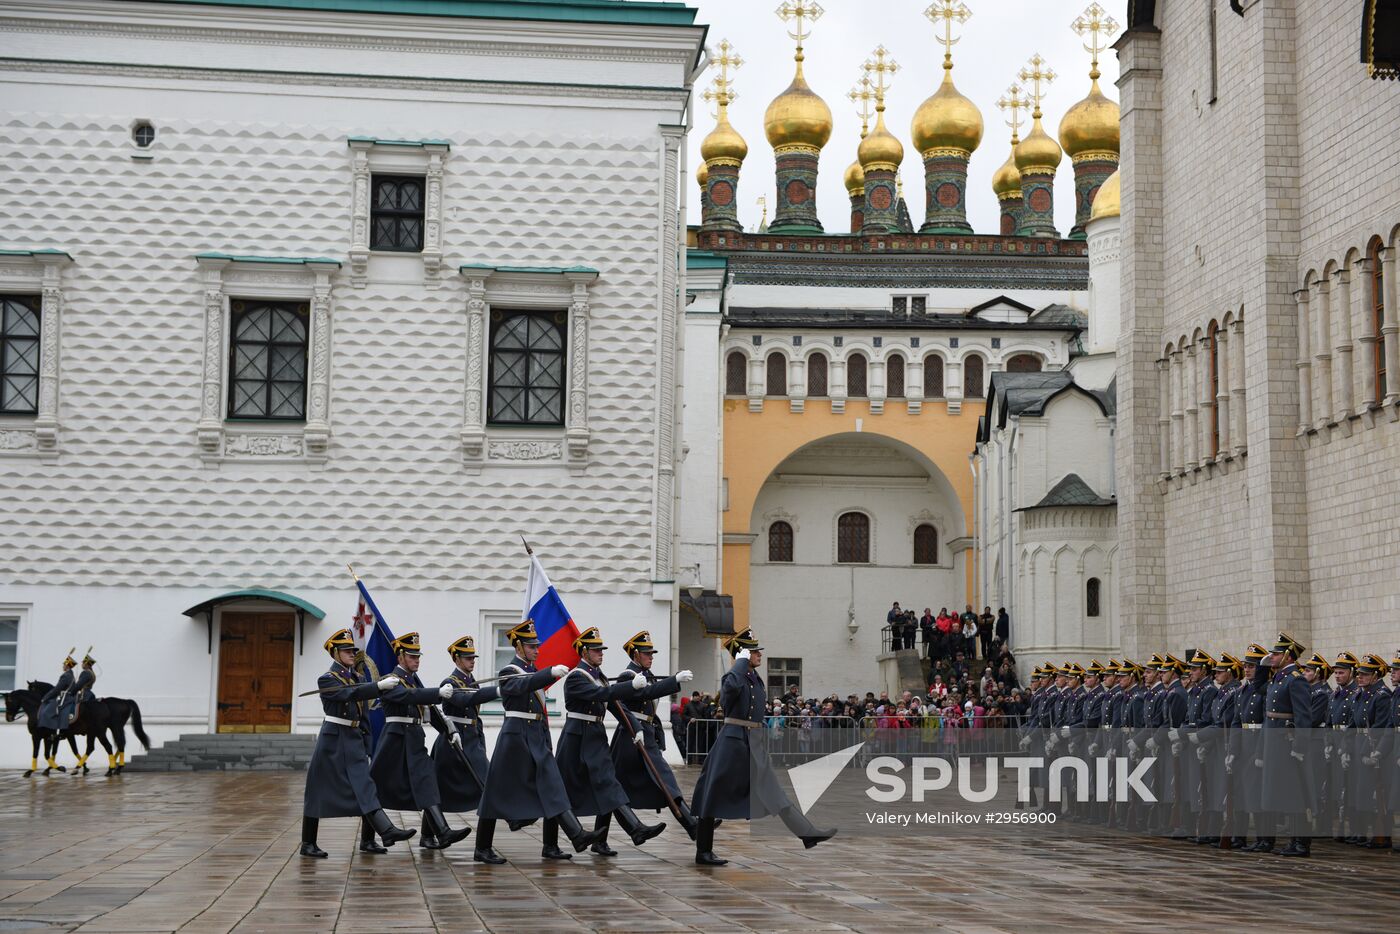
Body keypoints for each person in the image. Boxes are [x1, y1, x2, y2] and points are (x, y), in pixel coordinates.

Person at [690, 628, 835, 865]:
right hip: (732, 743)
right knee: (712, 795)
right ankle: (703, 851)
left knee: (774, 791)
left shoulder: (753, 678)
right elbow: (729, 692)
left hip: (753, 742)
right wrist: (740, 662)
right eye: (754, 651)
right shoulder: (733, 677)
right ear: (744, 654)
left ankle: (807, 833)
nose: (759, 655)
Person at [475, 619, 603, 863]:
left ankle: (571, 837)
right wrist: (548, 673)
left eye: (537, 645)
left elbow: (537, 705)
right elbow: (521, 685)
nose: (537, 649)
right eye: (531, 646)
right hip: (514, 738)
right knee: (495, 794)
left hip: (534, 735)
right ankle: (482, 847)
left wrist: (546, 738)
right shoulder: (509, 672)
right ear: (519, 647)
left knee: (553, 784)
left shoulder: (532, 673)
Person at [300, 629, 415, 858]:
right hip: (333, 740)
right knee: (317, 791)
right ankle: (307, 843)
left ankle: (379, 834)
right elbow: (349, 695)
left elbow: (363, 713)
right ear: (334, 653)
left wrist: (367, 742)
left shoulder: (358, 678)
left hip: (353, 738)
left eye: (353, 650)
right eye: (346, 651)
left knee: (365, 785)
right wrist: (377, 688)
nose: (352, 654)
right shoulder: (328, 679)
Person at [556, 627, 666, 857]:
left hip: (595, 737)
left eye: (601, 649)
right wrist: (629, 686)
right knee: (561, 792)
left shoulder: (600, 677)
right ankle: (549, 844)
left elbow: (616, 706)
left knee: (609, 782)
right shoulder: (577, 677)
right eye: (596, 650)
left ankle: (635, 829)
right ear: (584, 652)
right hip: (575, 738)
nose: (601, 653)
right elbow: (600, 696)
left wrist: (635, 728)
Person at [369, 632, 472, 851]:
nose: (417, 660)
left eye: (418, 656)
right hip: (394, 738)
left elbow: (428, 709)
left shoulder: (412, 680)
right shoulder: (391, 680)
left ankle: (442, 833)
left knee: (427, 780)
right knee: (375, 787)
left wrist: (447, 730)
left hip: (414, 738)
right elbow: (409, 697)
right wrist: (437, 693)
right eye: (412, 656)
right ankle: (368, 839)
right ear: (400, 658)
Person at [610, 630, 700, 841]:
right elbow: (645, 694)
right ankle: (691, 823)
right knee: (613, 787)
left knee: (663, 779)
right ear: (635, 655)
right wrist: (673, 680)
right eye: (646, 653)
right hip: (629, 737)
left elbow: (650, 704)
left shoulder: (646, 676)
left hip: (645, 735)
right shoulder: (628, 676)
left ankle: (692, 823)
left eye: (652, 653)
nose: (651, 656)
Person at [428, 636, 498, 850]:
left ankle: (484, 845)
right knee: (437, 790)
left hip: (471, 739)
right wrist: (496, 691)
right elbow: (464, 700)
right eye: (467, 658)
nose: (472, 661)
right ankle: (427, 835)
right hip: (453, 741)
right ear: (457, 659)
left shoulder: (470, 681)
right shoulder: (449, 683)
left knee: (489, 785)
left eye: (473, 657)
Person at [1258, 632, 1316, 857]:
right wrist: (1265, 664)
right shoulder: (1279, 678)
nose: (1272, 656)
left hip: (1288, 743)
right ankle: (1294, 841)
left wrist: (1300, 747)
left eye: (1276, 654)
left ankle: (1301, 843)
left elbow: (1303, 717)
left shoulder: (1296, 679)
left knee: (1296, 794)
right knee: (1286, 793)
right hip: (1275, 743)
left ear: (1288, 656)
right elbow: (1258, 687)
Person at [1348, 653, 1393, 849]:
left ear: (1375, 676)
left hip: (1372, 750)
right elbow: (1353, 725)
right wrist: (1345, 749)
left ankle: (1381, 835)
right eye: (1359, 674)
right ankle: (1361, 832)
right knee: (1360, 792)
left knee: (1376, 794)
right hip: (1359, 748)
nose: (1360, 677)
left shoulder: (1381, 696)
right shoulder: (1361, 694)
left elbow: (1380, 727)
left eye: (1365, 674)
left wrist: (1370, 753)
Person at [1326, 651, 1359, 844]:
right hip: (1336, 745)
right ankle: (1341, 828)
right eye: (1336, 673)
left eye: (1342, 673)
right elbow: (1329, 723)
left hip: (1351, 746)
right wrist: (1328, 744)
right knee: (1339, 788)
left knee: (1351, 789)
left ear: (1351, 673)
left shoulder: (1355, 694)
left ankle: (1355, 829)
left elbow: (1353, 724)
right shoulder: (1334, 694)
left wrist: (1345, 748)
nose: (1338, 676)